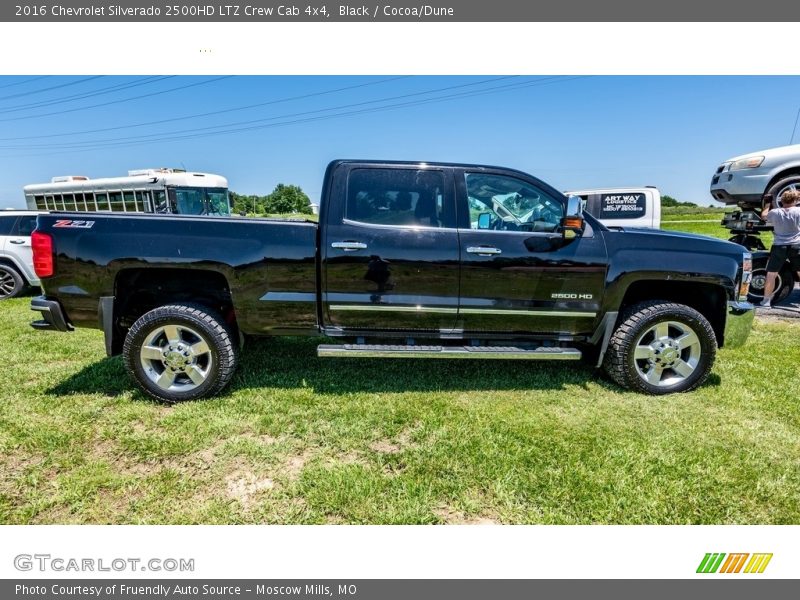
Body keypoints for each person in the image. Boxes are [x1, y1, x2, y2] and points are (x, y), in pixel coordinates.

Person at [759, 189, 800, 306]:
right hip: (796, 245)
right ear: (796, 200)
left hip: (779, 246)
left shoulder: (775, 212)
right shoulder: (798, 211)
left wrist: (767, 204)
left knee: (771, 274)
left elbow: (763, 216)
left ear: (781, 200)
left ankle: (766, 301)